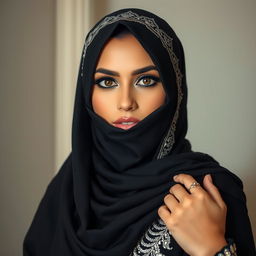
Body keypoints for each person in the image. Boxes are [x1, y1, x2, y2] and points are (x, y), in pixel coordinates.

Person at [23, 8, 256, 256]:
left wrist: (211, 248)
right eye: (107, 82)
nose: (125, 102)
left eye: (145, 80)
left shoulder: (209, 192)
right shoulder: (68, 187)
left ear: (173, 89)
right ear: (86, 94)